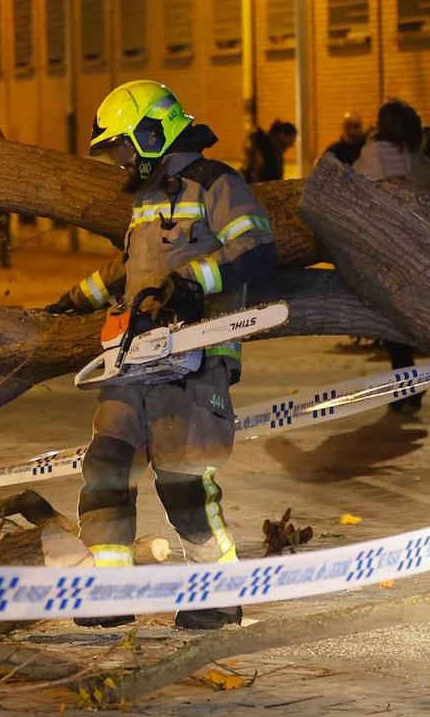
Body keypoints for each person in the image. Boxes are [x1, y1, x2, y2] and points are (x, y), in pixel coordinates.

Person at [46, 80, 275, 629]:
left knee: (184, 481)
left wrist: (193, 283)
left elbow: (257, 245)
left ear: (155, 131)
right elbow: (129, 273)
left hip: (195, 359)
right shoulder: (147, 197)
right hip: (134, 358)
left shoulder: (217, 184)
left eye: (125, 147)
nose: (122, 160)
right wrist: (71, 302)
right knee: (105, 467)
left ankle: (217, 596)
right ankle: (109, 592)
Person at [353, 99, 430, 415]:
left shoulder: (374, 153)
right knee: (401, 326)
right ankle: (406, 390)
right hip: (417, 249)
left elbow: (354, 187)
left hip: (384, 246)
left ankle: (404, 391)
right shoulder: (419, 157)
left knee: (389, 326)